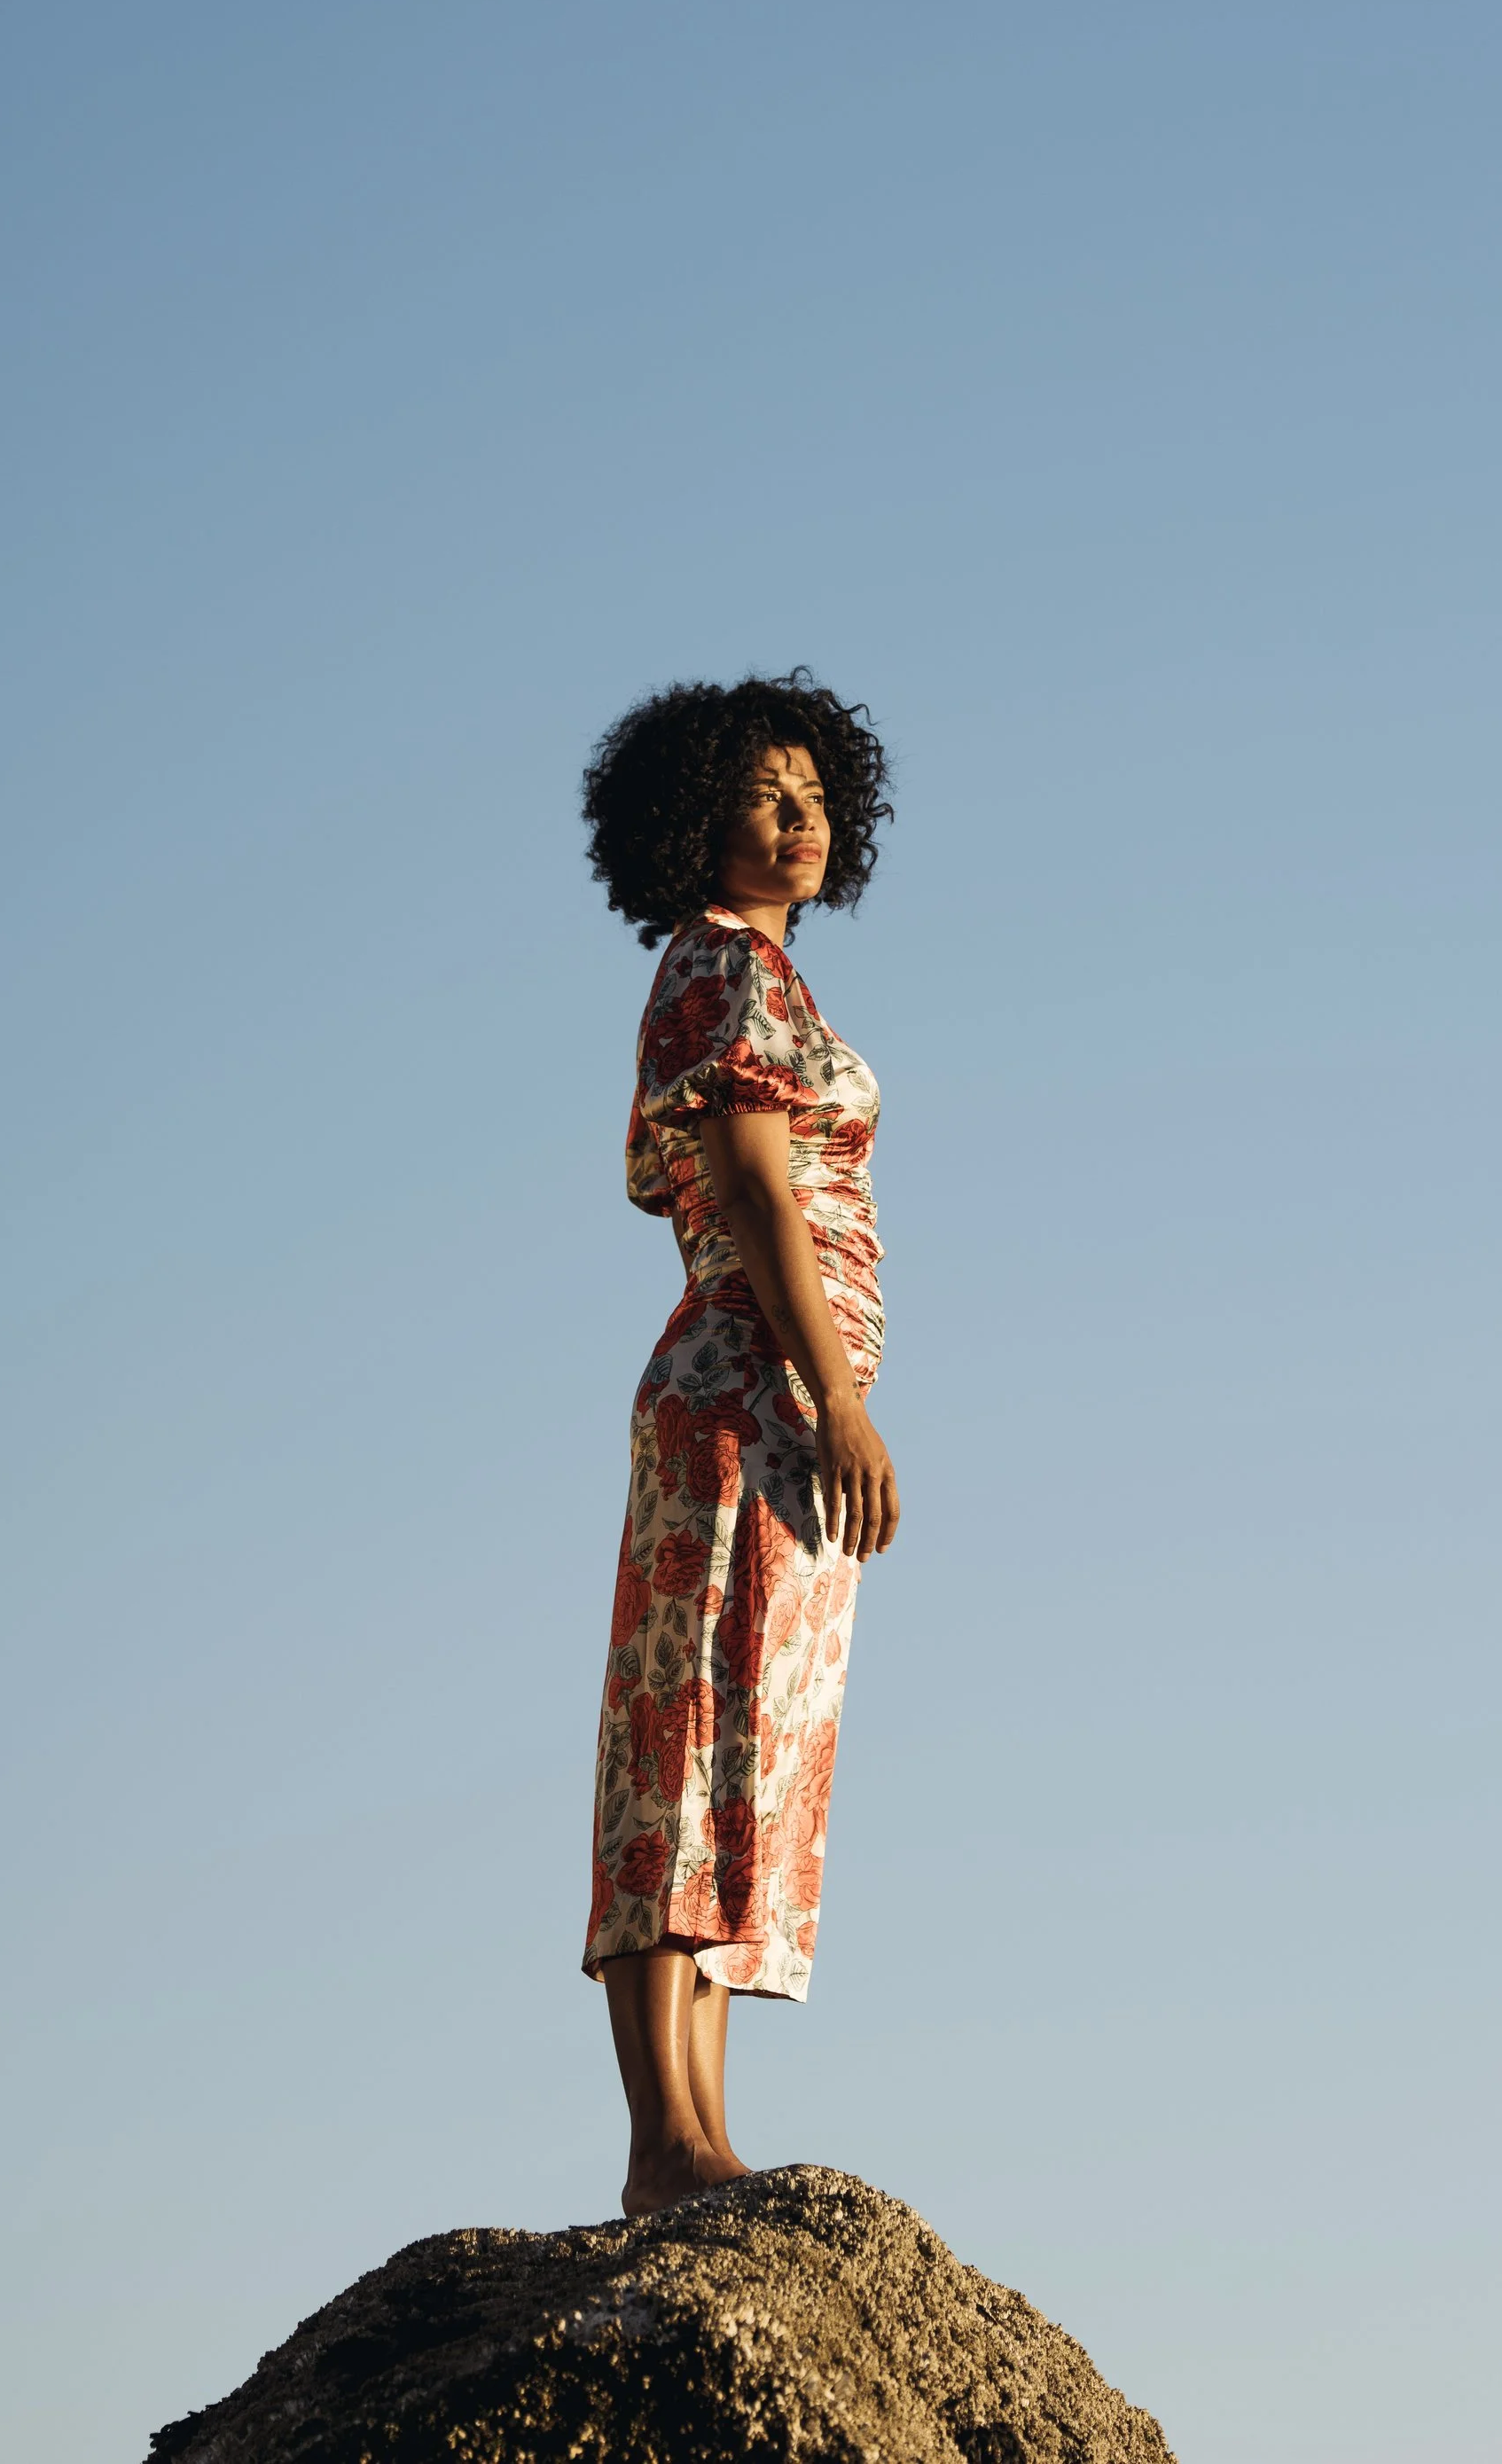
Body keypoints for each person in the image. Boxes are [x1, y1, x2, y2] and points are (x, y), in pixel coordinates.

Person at [579, 670, 902, 2217]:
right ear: (691, 822)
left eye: (815, 793)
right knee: (682, 1745)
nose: (800, 817)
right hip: (744, 1387)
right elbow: (759, 1192)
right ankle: (665, 2142)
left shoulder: (766, 978)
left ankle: (702, 2124)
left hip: (770, 1399)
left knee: (739, 1759)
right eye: (765, 793)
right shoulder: (712, 968)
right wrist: (836, 1396)